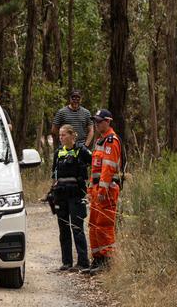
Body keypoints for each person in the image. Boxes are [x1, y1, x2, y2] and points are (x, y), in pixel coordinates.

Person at [48, 124, 92, 271]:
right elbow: (54, 175)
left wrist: (91, 188)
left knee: (77, 228)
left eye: (64, 135)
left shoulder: (81, 151)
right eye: (60, 135)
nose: (61, 138)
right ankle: (66, 262)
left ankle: (83, 262)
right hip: (61, 195)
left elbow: (95, 164)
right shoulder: (58, 152)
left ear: (72, 136)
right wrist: (51, 193)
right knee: (63, 229)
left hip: (76, 195)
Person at [85, 109, 122, 273]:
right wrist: (91, 189)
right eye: (96, 121)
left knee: (104, 225)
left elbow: (108, 168)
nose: (97, 124)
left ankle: (106, 262)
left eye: (100, 121)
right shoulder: (100, 141)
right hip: (96, 190)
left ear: (108, 121)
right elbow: (95, 170)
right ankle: (97, 259)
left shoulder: (111, 141)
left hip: (106, 191)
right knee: (94, 224)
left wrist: (102, 190)